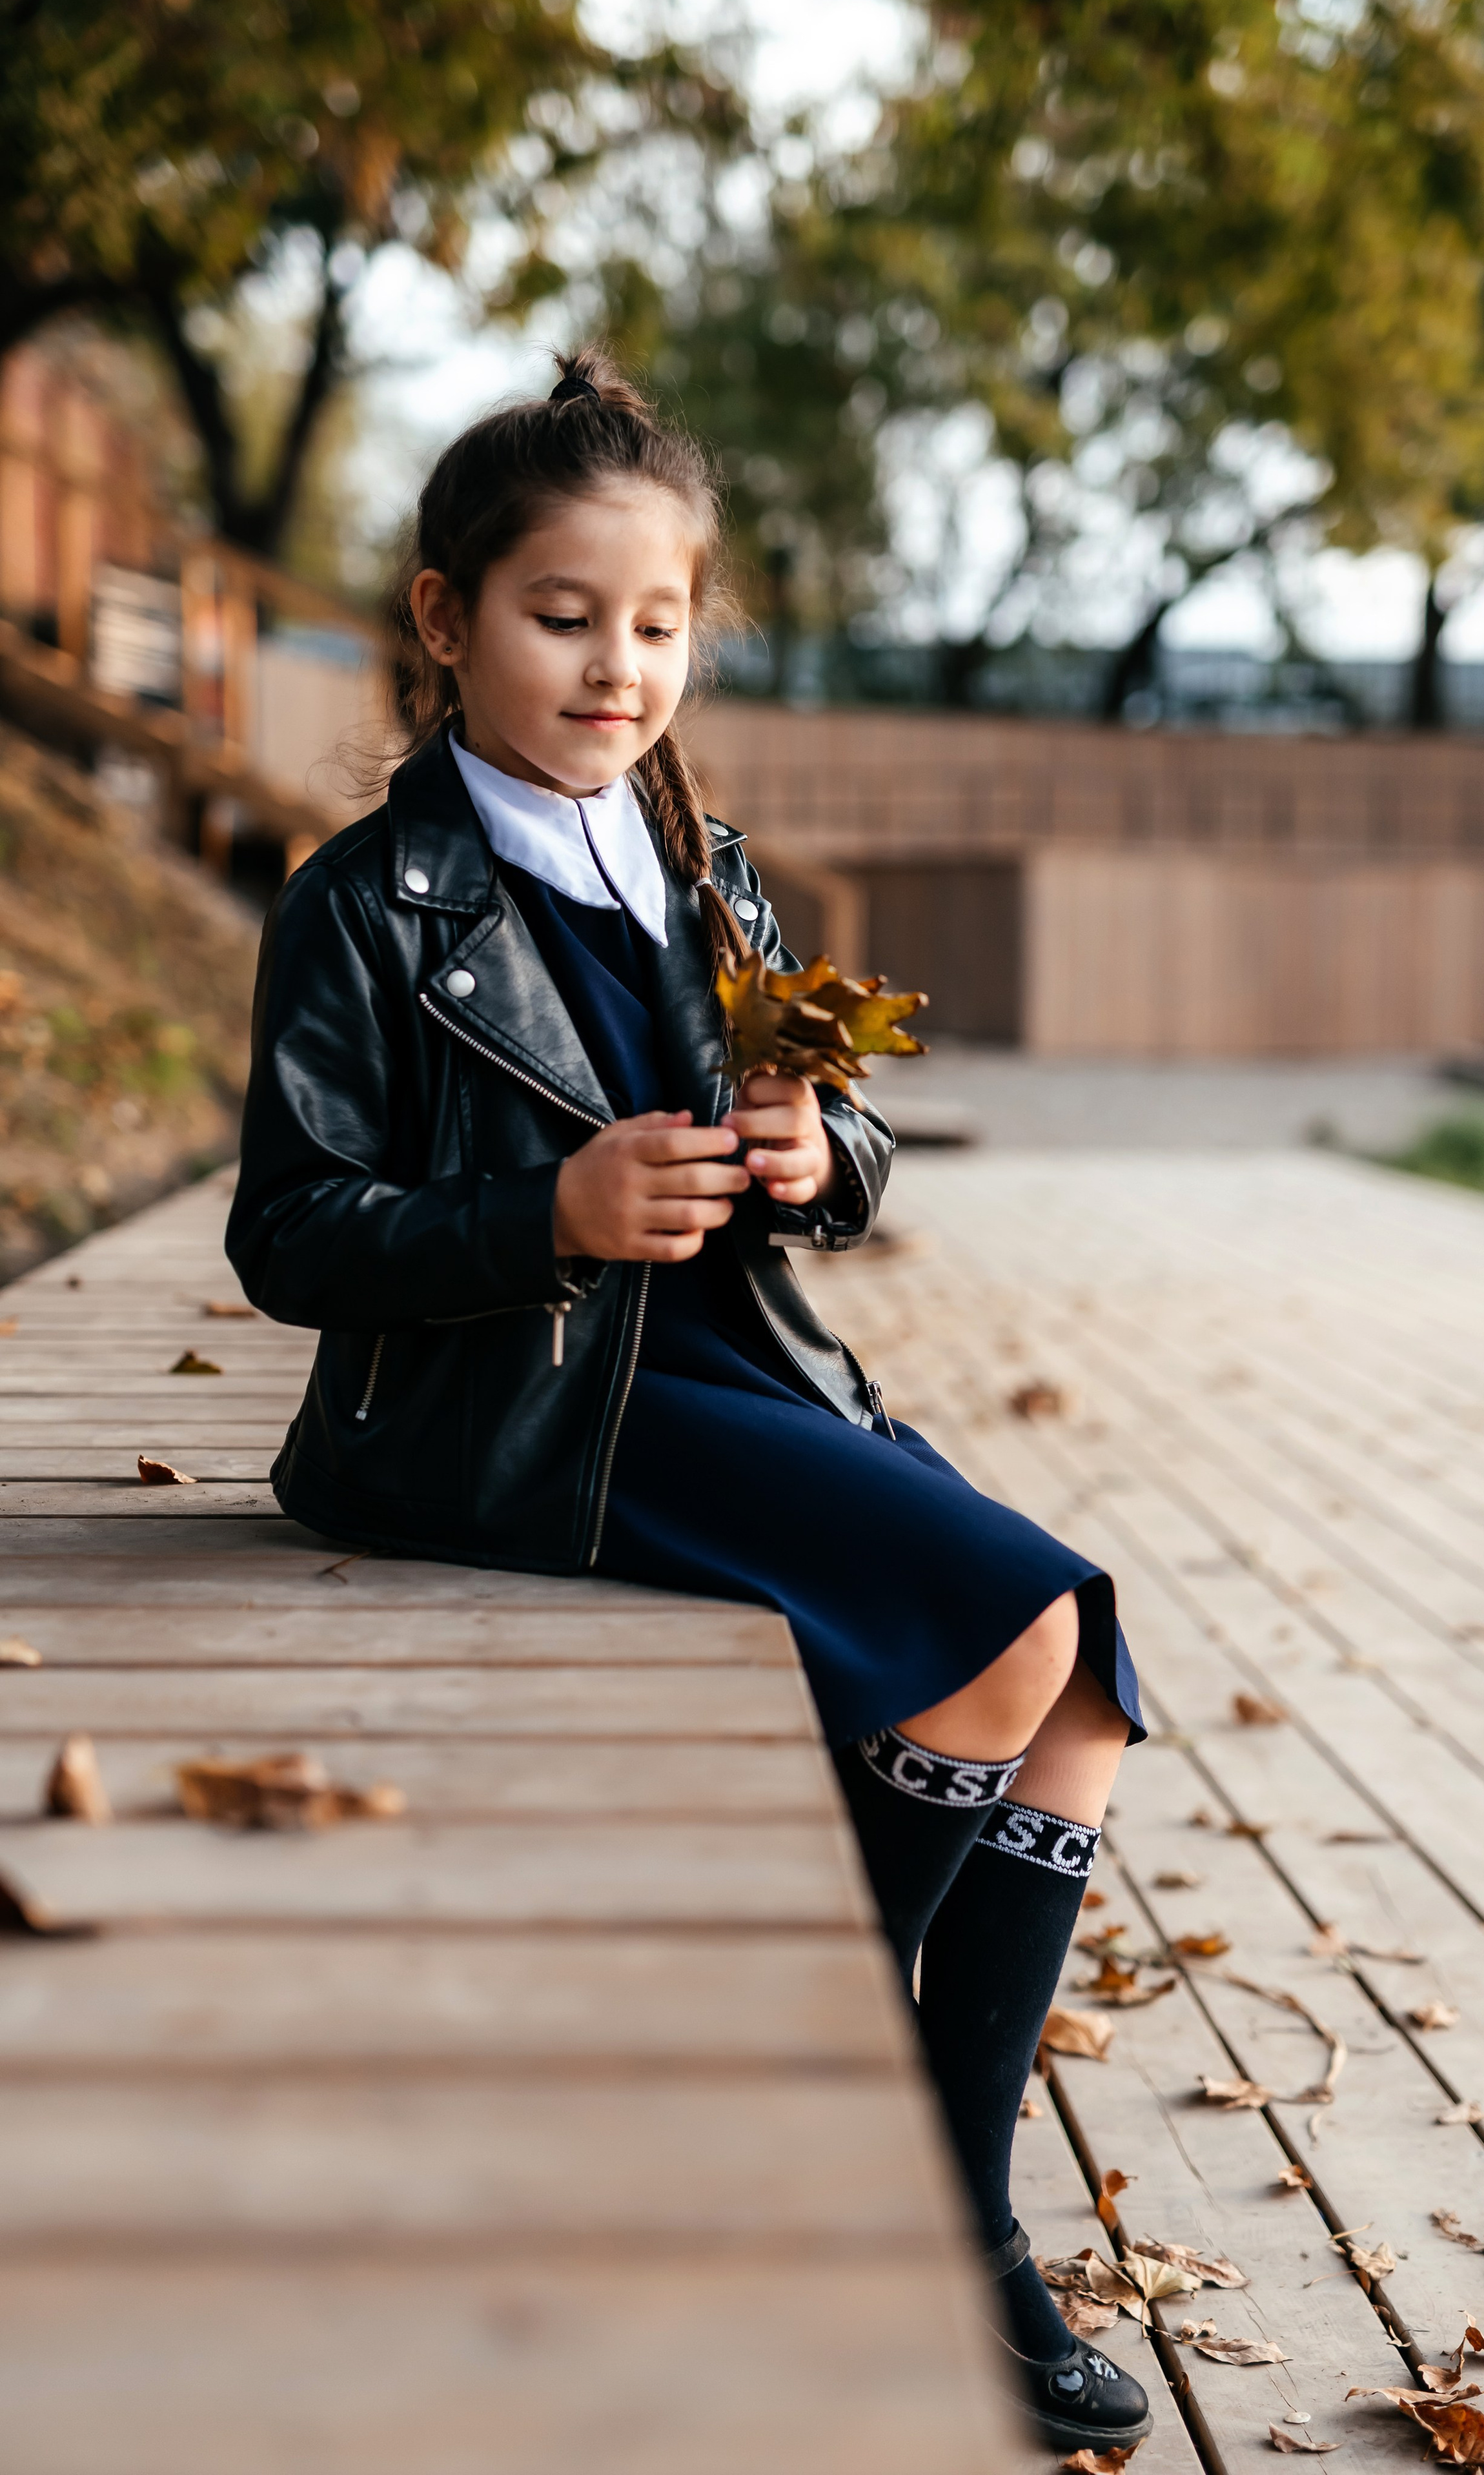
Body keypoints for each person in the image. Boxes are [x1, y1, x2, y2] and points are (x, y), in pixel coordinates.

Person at [226, 349, 1150, 2456]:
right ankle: (796, 2136)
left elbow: (838, 1140)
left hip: (737, 1359)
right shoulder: (369, 907)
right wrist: (539, 1208)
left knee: (1080, 1676)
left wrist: (835, 1159)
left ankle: (949, 2208)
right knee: (1008, 1635)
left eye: (657, 627)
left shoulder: (697, 863)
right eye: (564, 617)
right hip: (515, 1410)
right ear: (448, 620)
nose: (616, 667)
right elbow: (292, 1236)